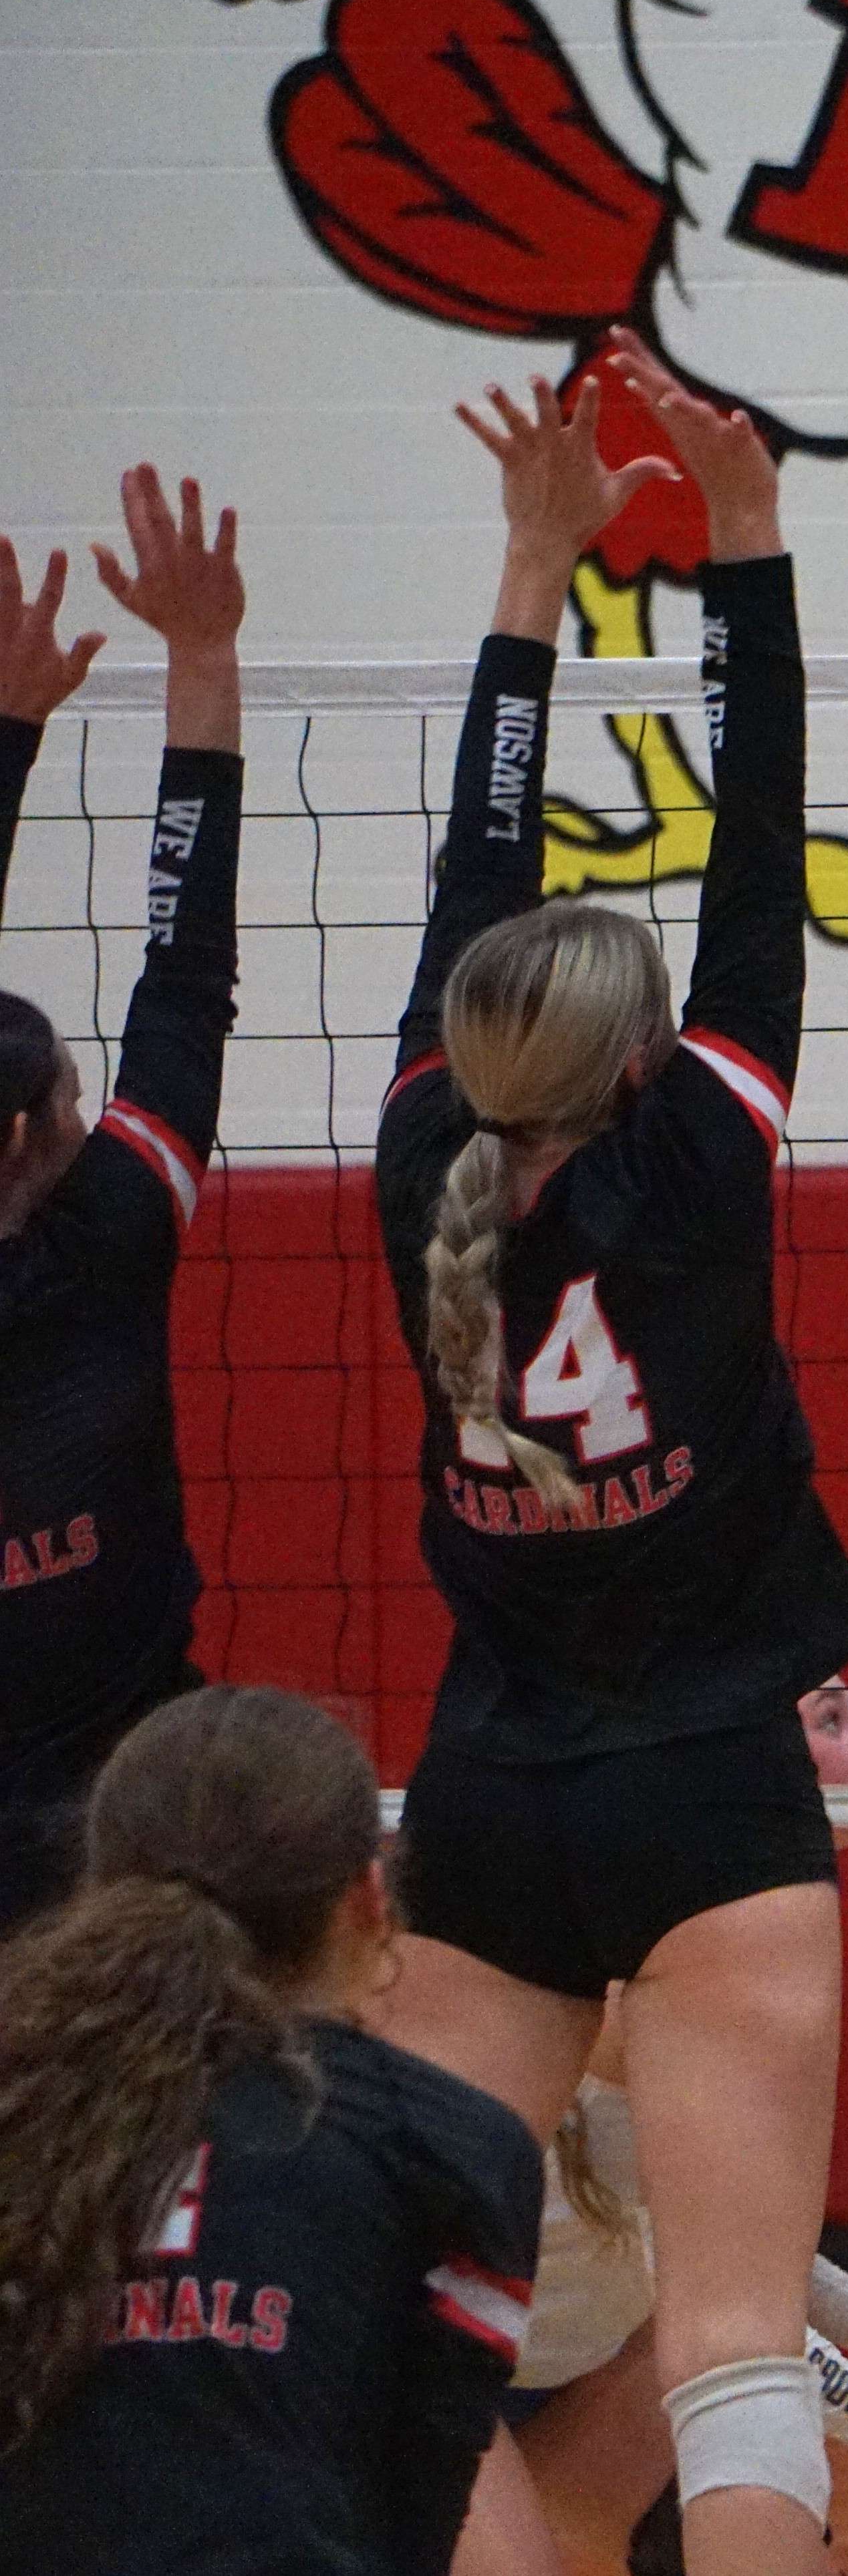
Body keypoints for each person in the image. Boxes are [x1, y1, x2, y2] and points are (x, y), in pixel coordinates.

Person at [364, 339, 848, 2576]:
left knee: (423, 2348)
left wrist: (531, 568)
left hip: (485, 1788)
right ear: (654, 1050)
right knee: (735, 2339)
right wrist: (744, 541)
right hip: (705, 1787)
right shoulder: (704, 1161)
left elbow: (478, 855)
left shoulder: (419, 1157)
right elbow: (760, 843)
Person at [0, 1684, 543, 2571]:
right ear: (370, 1894)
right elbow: (420, 2515)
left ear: (98, 1890)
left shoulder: (17, 2099)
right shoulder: (456, 2146)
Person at [452, 1684, 848, 2575]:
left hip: (587, 2379)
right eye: (831, 1720)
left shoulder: (743, 1941)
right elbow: (710, 2285)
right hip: (441, 2383)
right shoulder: (636, 1981)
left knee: (776, 2522)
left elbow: (720, 2240)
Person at [0, 476, 249, 1934]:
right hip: (131, 1840)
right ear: (35, 1129)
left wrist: (11, 735)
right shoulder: (112, 1232)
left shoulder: (107, 1232)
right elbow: (186, 973)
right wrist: (203, 661)